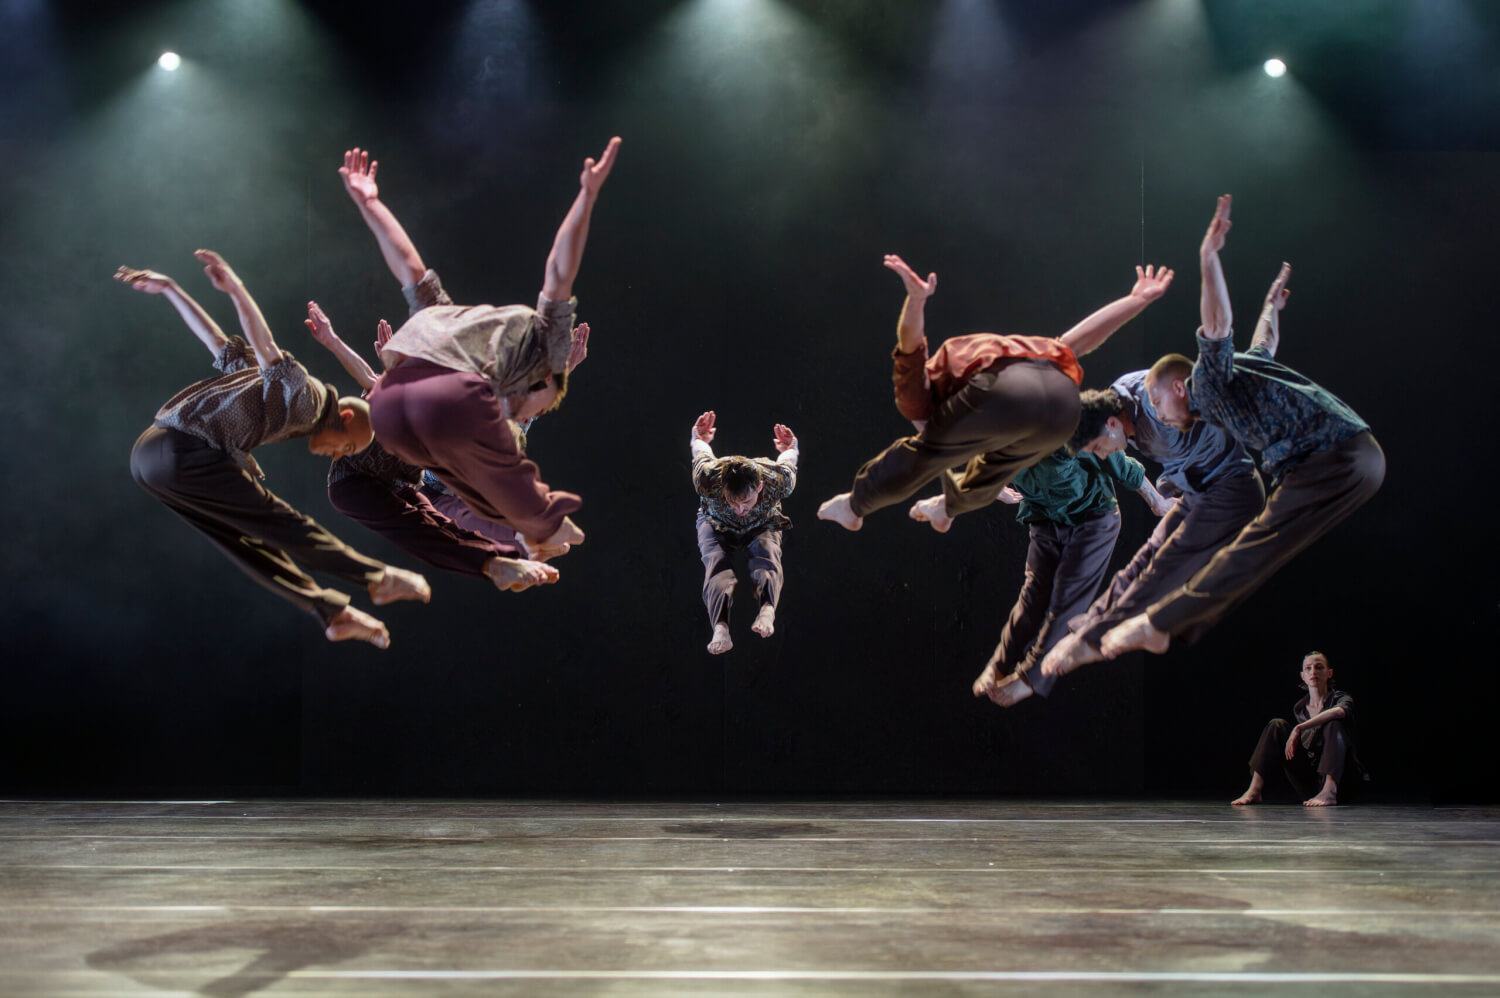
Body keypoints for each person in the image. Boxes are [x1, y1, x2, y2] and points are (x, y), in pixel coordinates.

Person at [1091, 197, 1385, 659]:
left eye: (1162, 406)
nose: (1162, 417)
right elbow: (1263, 342)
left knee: (1252, 549)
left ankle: (1160, 625)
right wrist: (1272, 307)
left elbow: (1217, 325)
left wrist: (1209, 259)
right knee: (1257, 551)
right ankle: (1152, 626)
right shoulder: (1240, 377)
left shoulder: (1207, 379)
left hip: (1329, 457)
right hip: (1360, 460)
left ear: (1180, 387)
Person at [121, 252, 430, 649]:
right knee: (281, 523)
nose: (339, 455)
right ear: (347, 420)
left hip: (149, 461)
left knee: (244, 540)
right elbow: (264, 344)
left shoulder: (269, 393)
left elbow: (215, 340)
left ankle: (330, 611)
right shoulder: (310, 400)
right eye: (347, 446)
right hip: (184, 452)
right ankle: (377, 578)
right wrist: (236, 288)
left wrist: (171, 290)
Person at [342, 138, 620, 556]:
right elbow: (560, 269)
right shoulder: (547, 344)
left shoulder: (447, 317)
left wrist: (370, 204)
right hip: (435, 411)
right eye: (533, 408)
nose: (521, 416)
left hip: (389, 409)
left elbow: (408, 266)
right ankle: (540, 522)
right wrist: (587, 196)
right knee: (496, 459)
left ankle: (528, 530)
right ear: (540, 378)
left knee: (464, 473)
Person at [817, 254, 1173, 533]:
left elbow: (911, 346)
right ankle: (946, 508)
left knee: (922, 455)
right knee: (995, 466)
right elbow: (1079, 340)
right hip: (1061, 402)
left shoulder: (919, 394)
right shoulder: (1002, 354)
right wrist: (1135, 300)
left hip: (1007, 394)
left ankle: (854, 505)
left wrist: (916, 300)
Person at [303, 302, 564, 593]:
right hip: (353, 482)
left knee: (440, 523)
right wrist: (331, 340)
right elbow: (367, 377)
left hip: (399, 485)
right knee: (417, 525)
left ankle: (507, 560)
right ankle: (500, 562)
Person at [1035, 365, 1266, 677]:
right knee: (1149, 552)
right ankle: (1093, 619)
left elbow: (1197, 387)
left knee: (1168, 561)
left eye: (1098, 447)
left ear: (1112, 424)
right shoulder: (1117, 395)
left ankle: (1093, 638)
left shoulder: (1158, 415)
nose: (1103, 456)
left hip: (1232, 488)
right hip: (1197, 490)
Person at [959, 447, 1174, 707]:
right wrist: (995, 487)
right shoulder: (989, 440)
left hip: (1093, 519)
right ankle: (1001, 665)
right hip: (1045, 519)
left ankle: (1030, 678)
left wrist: (1157, 502)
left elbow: (1118, 461)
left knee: (1066, 599)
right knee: (1032, 596)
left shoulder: (1061, 428)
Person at [690, 411, 799, 655]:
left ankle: (767, 609)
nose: (740, 510)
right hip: (716, 522)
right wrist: (699, 437)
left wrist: (791, 446)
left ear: (759, 487)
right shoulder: (708, 477)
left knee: (767, 555)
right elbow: (700, 452)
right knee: (717, 565)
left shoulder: (777, 479)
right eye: (733, 501)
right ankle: (720, 627)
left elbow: (789, 456)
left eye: (746, 502)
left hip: (762, 522)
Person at [1232, 651, 1365, 807]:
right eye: (1308, 668)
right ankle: (1254, 790)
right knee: (1276, 725)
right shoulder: (1300, 708)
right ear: (1303, 675)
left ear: (1329, 673)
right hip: (1311, 784)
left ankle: (1329, 791)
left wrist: (1299, 728)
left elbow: (1339, 712)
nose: (1313, 671)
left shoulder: (1340, 698)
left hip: (1341, 783)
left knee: (1333, 722)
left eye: (1319, 667)